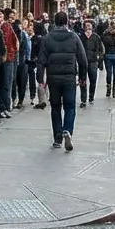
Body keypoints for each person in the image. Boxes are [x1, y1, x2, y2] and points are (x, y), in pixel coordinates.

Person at [42, 10, 88, 152]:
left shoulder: (48, 38)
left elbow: (41, 60)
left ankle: (57, 139)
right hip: (69, 78)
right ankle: (67, 130)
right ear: (67, 21)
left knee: (55, 108)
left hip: (53, 79)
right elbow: (83, 60)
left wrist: (40, 80)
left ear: (54, 22)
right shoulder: (74, 37)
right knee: (70, 107)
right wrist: (82, 77)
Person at [79, 20, 104, 106]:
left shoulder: (96, 37)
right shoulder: (81, 37)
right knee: (82, 80)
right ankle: (83, 99)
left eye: (90, 26)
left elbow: (101, 49)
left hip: (93, 61)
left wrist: (99, 56)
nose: (88, 27)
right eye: (87, 26)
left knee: (93, 80)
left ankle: (91, 97)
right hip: (83, 61)